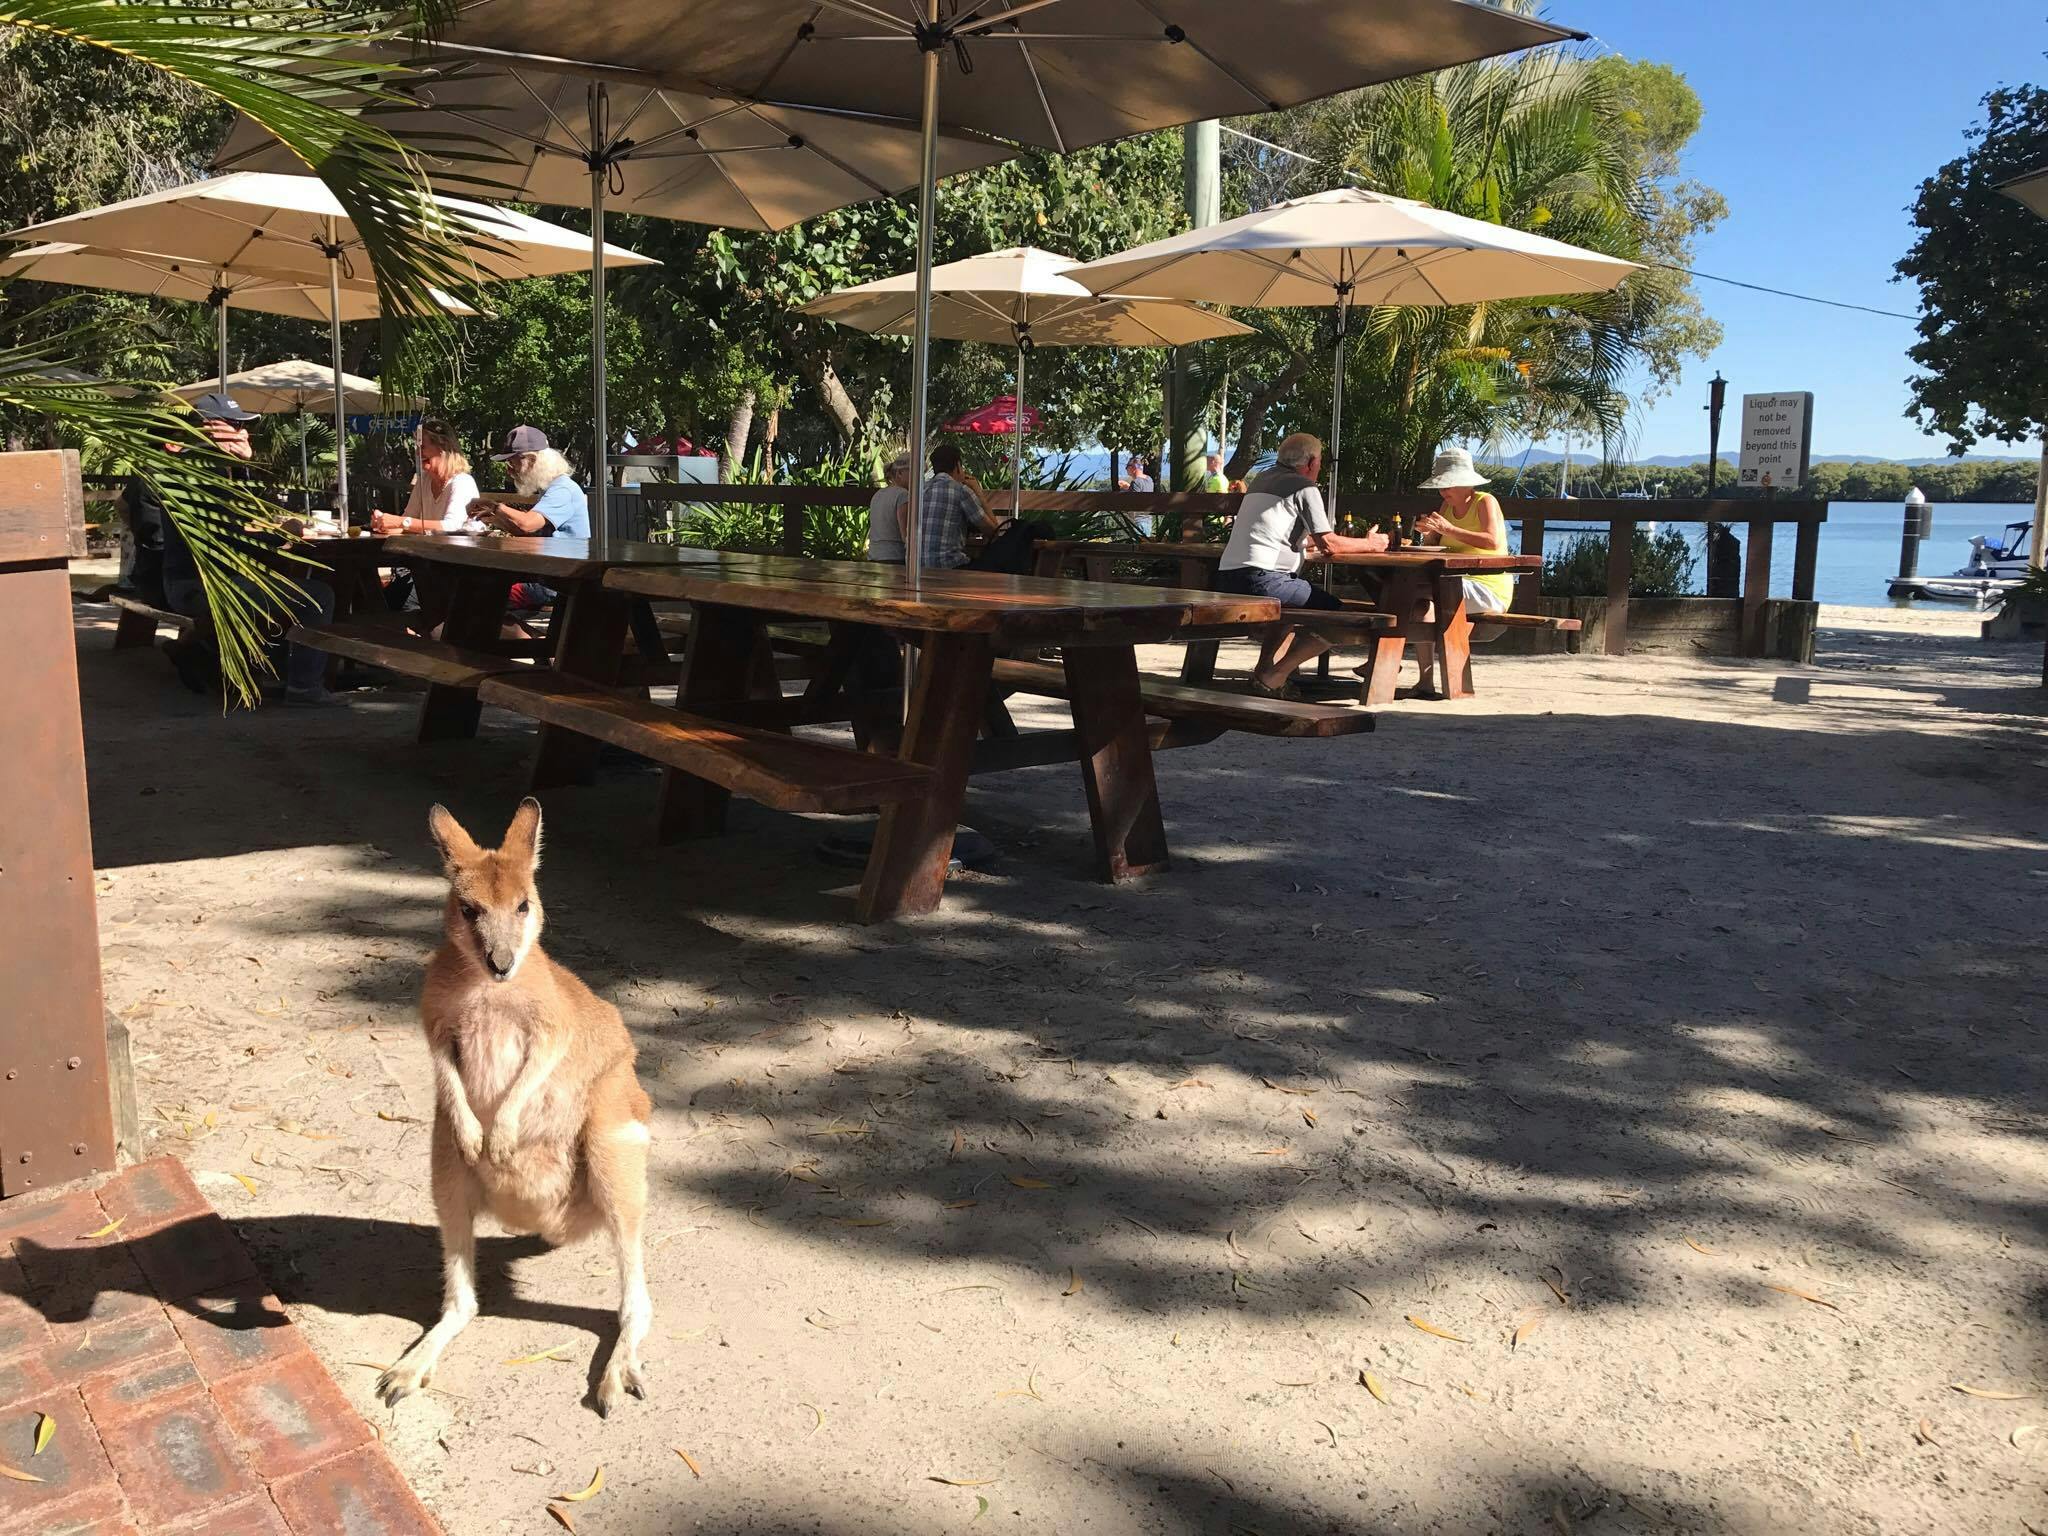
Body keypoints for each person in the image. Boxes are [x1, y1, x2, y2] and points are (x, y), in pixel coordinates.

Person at [138, 393, 340, 705]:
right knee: (318, 596)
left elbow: (236, 523)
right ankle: (304, 687)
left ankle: (275, 672)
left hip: (186, 581)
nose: (244, 433)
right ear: (210, 428)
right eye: (235, 425)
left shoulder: (191, 466)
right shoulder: (205, 471)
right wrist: (283, 536)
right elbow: (231, 538)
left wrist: (242, 466)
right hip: (202, 587)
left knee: (283, 589)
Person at [1215, 431, 1388, 696]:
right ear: (1311, 463)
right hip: (1265, 578)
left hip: (1229, 576)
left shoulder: (1262, 479)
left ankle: (1264, 672)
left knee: (1289, 607)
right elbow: (1328, 545)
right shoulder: (1304, 486)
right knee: (1340, 616)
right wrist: (1372, 544)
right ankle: (1276, 674)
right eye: (1319, 463)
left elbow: (1284, 538)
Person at [1407, 446, 1510, 699]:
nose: (1444, 491)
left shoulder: (1485, 501)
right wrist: (1428, 532)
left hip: (1488, 587)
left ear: (1466, 484)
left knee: (1422, 590)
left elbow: (1492, 541)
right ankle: (1424, 680)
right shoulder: (1446, 506)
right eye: (1442, 486)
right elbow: (1435, 545)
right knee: (1418, 605)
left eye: (1449, 485)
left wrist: (1449, 529)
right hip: (1454, 582)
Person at [468, 426, 590, 619]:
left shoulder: (563, 489)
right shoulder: (551, 489)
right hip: (550, 575)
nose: (509, 471)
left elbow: (527, 525)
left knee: (484, 598)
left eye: (512, 462)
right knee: (481, 591)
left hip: (558, 582)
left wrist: (496, 507)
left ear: (532, 460)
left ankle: (530, 643)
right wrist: (494, 518)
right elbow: (524, 531)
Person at [372, 418, 481, 536]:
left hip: (455, 553)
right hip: (431, 551)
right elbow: (407, 523)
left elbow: (451, 527)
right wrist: (383, 524)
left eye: (422, 447)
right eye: (417, 448)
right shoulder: (424, 480)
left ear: (443, 447)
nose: (418, 453)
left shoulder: (462, 482)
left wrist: (400, 522)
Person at [902, 443, 1000, 570]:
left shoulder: (919, 490)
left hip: (914, 567)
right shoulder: (961, 490)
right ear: (958, 466)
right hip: (948, 566)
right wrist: (979, 493)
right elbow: (993, 532)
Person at [866, 452, 912, 562]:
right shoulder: (903, 495)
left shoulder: (878, 495)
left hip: (874, 555)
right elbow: (905, 535)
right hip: (894, 557)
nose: (919, 477)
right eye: (914, 472)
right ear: (899, 473)